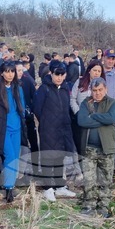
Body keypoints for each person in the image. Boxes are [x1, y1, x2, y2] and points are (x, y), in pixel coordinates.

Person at [0, 61, 29, 203]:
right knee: (9, 156)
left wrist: (22, 120)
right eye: (7, 71)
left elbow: (21, 106)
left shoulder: (17, 88)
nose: (10, 74)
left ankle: (11, 184)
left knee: (15, 157)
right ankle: (8, 188)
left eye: (12, 71)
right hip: (2, 129)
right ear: (1, 72)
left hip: (16, 128)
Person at [32, 63, 77, 199]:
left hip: (63, 128)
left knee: (59, 157)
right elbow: (37, 108)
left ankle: (59, 186)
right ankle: (48, 188)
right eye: (56, 74)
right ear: (51, 73)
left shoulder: (65, 88)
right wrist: (47, 122)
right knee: (48, 157)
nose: (59, 77)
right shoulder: (44, 89)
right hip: (48, 129)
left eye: (62, 75)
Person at [76, 78, 115, 217]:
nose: (97, 93)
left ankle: (103, 207)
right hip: (88, 148)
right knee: (89, 180)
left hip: (107, 148)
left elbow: (111, 119)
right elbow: (82, 121)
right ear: (91, 91)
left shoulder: (112, 103)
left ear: (105, 89)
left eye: (100, 90)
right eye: (94, 91)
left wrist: (93, 116)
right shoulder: (85, 103)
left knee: (105, 180)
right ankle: (89, 206)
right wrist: (102, 121)